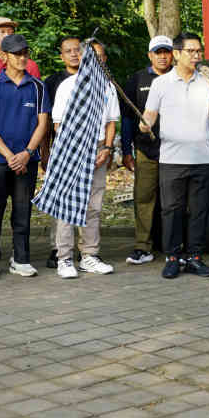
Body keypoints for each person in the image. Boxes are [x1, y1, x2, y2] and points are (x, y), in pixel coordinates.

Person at [141, 32, 209, 279]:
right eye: (191, 51)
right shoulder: (161, 84)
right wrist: (145, 124)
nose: (196, 55)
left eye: (199, 51)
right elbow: (149, 116)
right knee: (172, 210)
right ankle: (172, 258)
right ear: (177, 54)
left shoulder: (206, 81)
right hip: (172, 159)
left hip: (202, 158)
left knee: (199, 211)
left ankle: (194, 258)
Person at [0, 34, 49, 282]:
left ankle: (21, 259)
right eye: (17, 54)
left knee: (22, 211)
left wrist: (27, 153)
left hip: (28, 160)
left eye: (25, 53)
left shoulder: (38, 86)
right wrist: (9, 155)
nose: (22, 58)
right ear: (5, 56)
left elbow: (42, 124)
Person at [50, 42, 119, 278]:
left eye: (99, 57)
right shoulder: (67, 86)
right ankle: (64, 258)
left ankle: (89, 255)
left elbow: (111, 122)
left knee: (93, 205)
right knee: (67, 205)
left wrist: (107, 148)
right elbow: (58, 124)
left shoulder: (108, 87)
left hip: (99, 149)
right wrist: (76, 148)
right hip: (71, 148)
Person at [121, 35, 174, 265]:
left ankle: (175, 246)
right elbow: (126, 118)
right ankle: (143, 247)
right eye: (157, 53)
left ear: (173, 54)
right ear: (150, 55)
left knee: (175, 200)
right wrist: (126, 150)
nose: (162, 57)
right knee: (144, 198)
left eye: (166, 52)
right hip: (146, 150)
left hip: (177, 151)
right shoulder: (137, 79)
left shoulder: (180, 77)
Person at [41, 36, 82, 268]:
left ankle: (85, 250)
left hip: (88, 149)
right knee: (60, 199)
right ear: (62, 56)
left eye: (78, 50)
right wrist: (45, 151)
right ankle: (57, 248)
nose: (74, 54)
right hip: (61, 148)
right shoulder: (53, 82)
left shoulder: (95, 79)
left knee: (87, 200)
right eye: (69, 51)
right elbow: (46, 121)